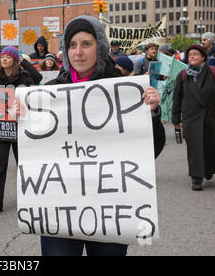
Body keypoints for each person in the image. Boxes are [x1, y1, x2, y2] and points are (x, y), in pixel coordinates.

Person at [37, 15, 165, 256]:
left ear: (101, 46)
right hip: (60, 206)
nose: (78, 52)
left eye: (86, 44)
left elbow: (152, 150)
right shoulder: (50, 92)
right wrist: (24, 120)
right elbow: (32, 156)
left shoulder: (123, 89)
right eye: (72, 45)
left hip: (110, 206)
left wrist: (152, 113)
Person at [0, 46, 34, 213]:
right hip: (1, 126)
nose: (3, 59)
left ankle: (28, 198)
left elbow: (36, 87)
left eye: (7, 56)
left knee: (23, 164)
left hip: (19, 126)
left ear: (14, 59)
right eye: (2, 56)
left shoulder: (25, 78)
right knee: (0, 164)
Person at [172, 44, 215, 191]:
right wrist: (176, 120)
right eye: (190, 54)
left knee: (210, 145)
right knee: (194, 147)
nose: (192, 56)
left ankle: (208, 169)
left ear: (203, 57)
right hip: (190, 117)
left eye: (196, 54)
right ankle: (196, 177)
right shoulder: (182, 75)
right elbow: (176, 98)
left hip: (209, 115)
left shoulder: (214, 72)